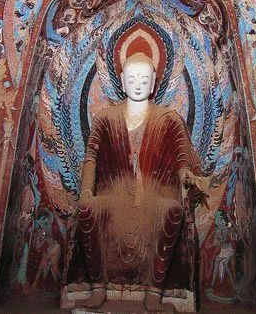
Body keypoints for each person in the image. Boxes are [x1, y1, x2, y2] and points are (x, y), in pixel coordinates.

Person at [64, 53, 207, 312]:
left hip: (153, 196)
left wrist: (188, 177)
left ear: (153, 83)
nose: (138, 85)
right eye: (132, 79)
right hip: (114, 196)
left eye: (144, 79)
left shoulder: (169, 118)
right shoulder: (105, 118)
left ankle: (154, 293)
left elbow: (181, 161)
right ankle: (98, 289)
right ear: (121, 81)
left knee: (172, 210)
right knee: (87, 209)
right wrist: (86, 191)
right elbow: (91, 158)